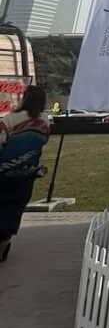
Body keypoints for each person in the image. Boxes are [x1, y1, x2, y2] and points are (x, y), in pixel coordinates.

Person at [0, 85, 50, 262]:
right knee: (15, 208)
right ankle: (4, 242)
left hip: (4, 172)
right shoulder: (45, 121)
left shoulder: (10, 120)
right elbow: (43, 140)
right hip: (27, 173)